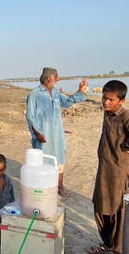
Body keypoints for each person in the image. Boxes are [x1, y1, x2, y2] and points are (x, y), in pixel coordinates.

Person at [26, 67, 88, 197]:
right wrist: (37, 134)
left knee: (60, 160)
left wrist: (80, 91)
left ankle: (60, 186)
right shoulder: (34, 94)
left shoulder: (55, 93)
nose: (58, 79)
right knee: (43, 162)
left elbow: (68, 102)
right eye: (57, 76)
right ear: (50, 78)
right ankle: (46, 189)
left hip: (58, 134)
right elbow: (30, 116)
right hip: (43, 136)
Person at [87, 80, 129, 254]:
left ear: (122, 100)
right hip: (104, 169)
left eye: (111, 100)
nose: (106, 102)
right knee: (99, 207)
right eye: (104, 98)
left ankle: (118, 252)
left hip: (119, 173)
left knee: (117, 212)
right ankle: (107, 244)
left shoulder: (125, 117)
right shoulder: (108, 114)